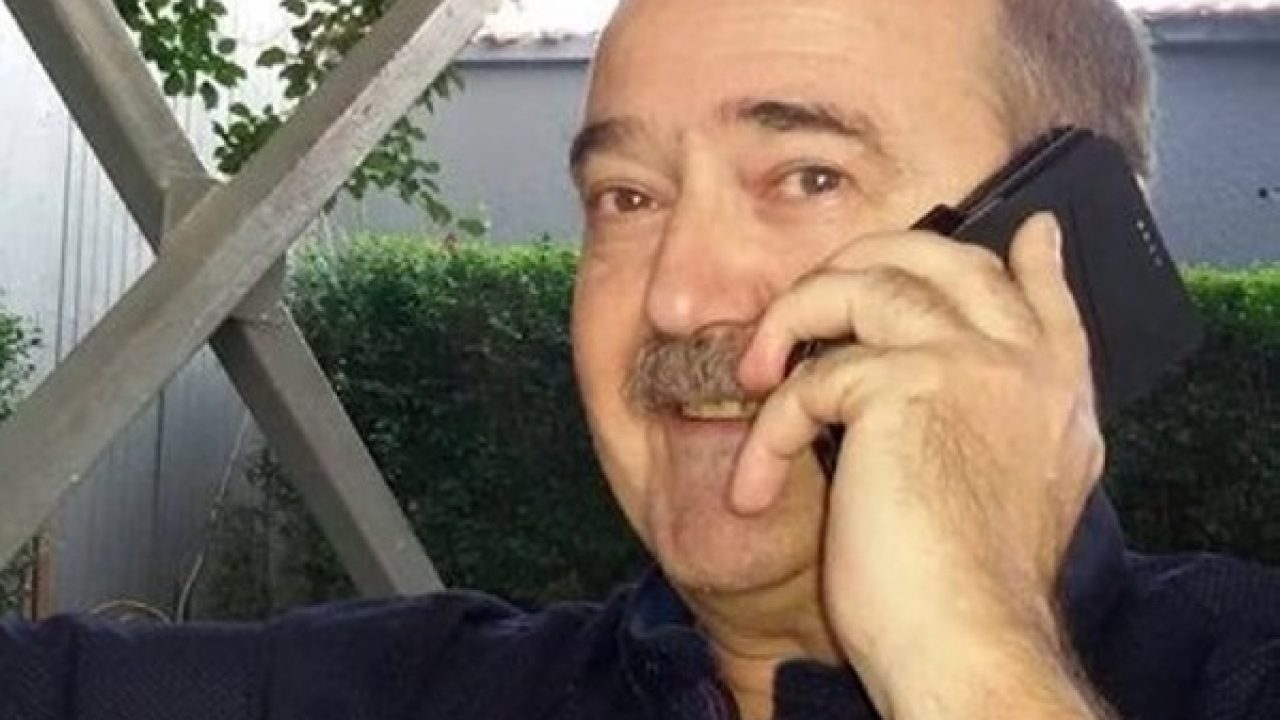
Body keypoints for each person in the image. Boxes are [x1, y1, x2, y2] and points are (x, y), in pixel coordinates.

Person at [3, 0, 1279, 718]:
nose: (673, 296)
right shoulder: (415, 693)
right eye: (625, 197)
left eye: (805, 175)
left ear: (1062, 264)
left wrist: (972, 661)